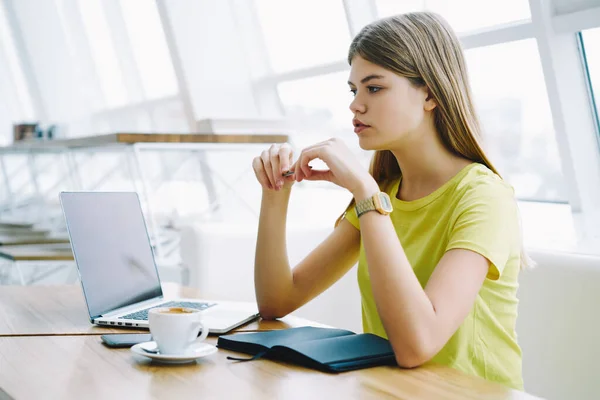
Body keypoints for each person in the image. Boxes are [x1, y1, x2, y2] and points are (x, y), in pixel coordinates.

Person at [252, 12, 529, 390]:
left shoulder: (483, 197)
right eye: (353, 90)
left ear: (430, 93)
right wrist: (275, 193)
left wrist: (365, 193)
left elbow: (418, 344)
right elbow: (277, 300)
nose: (355, 105)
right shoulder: (384, 193)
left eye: (375, 88)